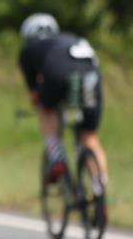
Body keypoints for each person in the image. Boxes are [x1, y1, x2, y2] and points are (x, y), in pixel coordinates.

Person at [18, 13, 108, 191]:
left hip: (58, 75)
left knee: (45, 109)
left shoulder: (28, 49)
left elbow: (35, 94)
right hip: (91, 76)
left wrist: (42, 104)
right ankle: (100, 190)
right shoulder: (71, 38)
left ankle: (56, 155)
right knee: (89, 137)